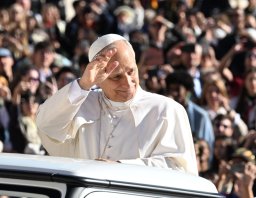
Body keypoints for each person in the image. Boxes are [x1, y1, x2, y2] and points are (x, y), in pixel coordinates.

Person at [36, 34, 198, 175]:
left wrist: (120, 168)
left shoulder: (167, 110)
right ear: (99, 78)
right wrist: (83, 85)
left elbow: (181, 170)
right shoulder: (81, 104)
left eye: (131, 71)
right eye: (116, 77)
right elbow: (46, 125)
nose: (128, 83)